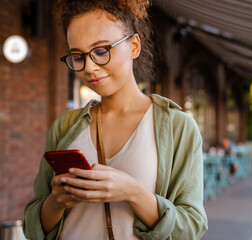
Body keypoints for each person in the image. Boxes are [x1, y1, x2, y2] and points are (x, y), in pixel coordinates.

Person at [23, 0, 208, 239]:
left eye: (101, 51)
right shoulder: (65, 126)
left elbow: (192, 227)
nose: (89, 68)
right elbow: (32, 227)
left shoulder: (178, 127)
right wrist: (56, 201)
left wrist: (133, 193)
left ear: (133, 46)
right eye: (77, 56)